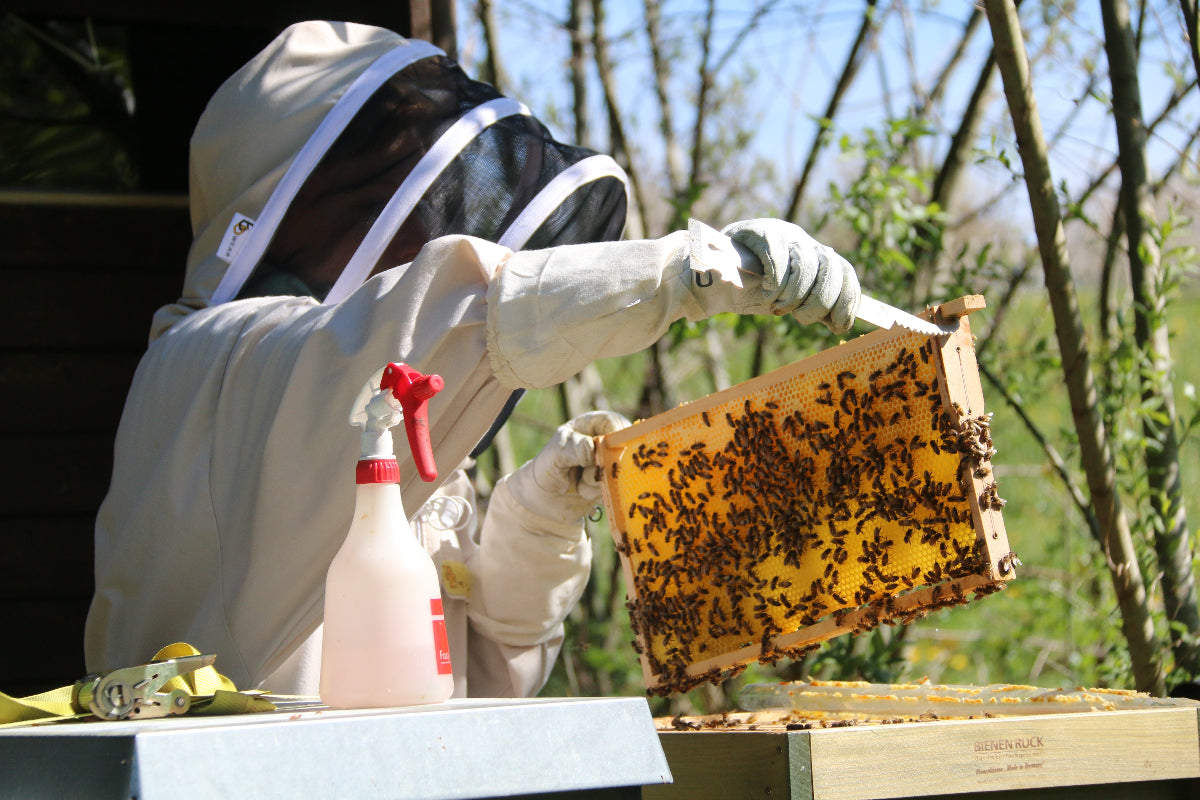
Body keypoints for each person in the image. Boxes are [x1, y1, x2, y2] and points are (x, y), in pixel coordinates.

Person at [84, 20, 861, 699]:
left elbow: (486, 674)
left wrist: (537, 523)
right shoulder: (208, 377)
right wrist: (681, 272)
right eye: (404, 214)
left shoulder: (376, 418)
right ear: (301, 212)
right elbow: (436, 317)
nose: (434, 247)